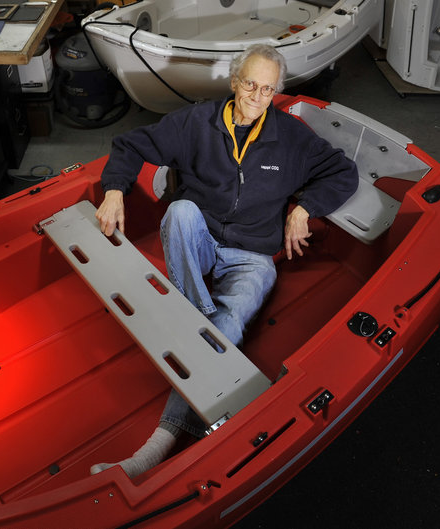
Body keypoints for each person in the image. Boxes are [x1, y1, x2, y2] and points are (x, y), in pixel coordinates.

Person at [90, 44, 359, 478]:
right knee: (180, 212)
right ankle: (201, 324)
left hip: (253, 253)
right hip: (200, 235)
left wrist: (305, 208)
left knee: (232, 316)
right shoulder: (197, 122)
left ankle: (161, 438)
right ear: (235, 82)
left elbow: (343, 172)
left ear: (276, 92)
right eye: (250, 83)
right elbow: (130, 144)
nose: (257, 95)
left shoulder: (292, 138)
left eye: (268, 88)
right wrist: (116, 188)